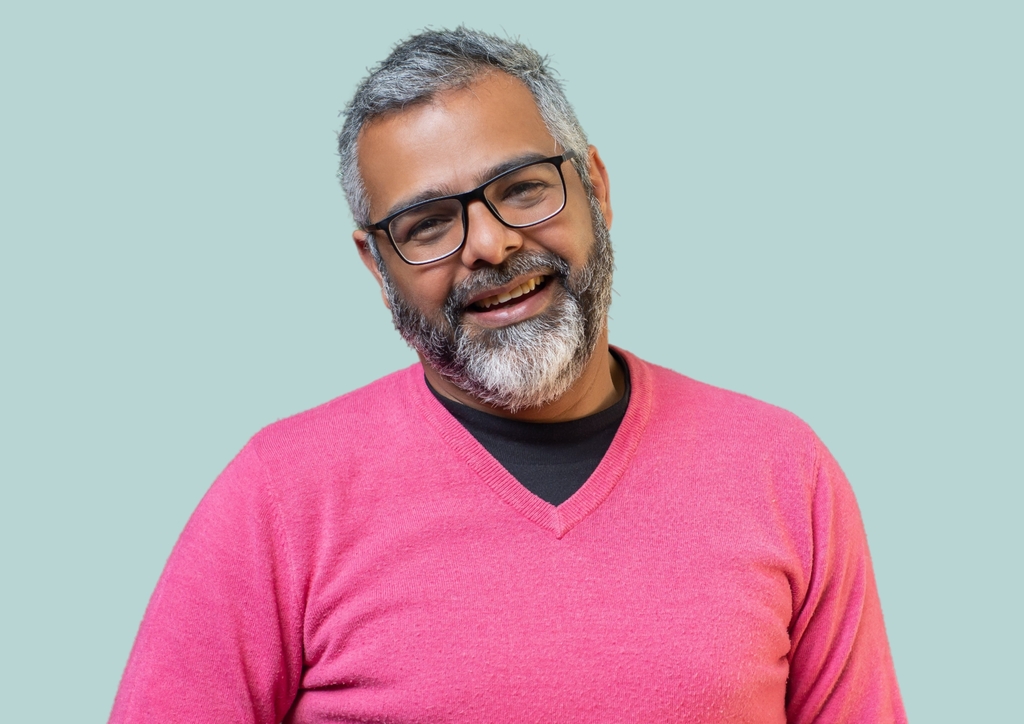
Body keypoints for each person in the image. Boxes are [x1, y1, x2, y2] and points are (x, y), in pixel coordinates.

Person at [109, 27, 906, 723]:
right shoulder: (278, 499)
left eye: (522, 188)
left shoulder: (781, 469)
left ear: (594, 185)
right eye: (427, 224)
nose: (487, 244)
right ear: (375, 263)